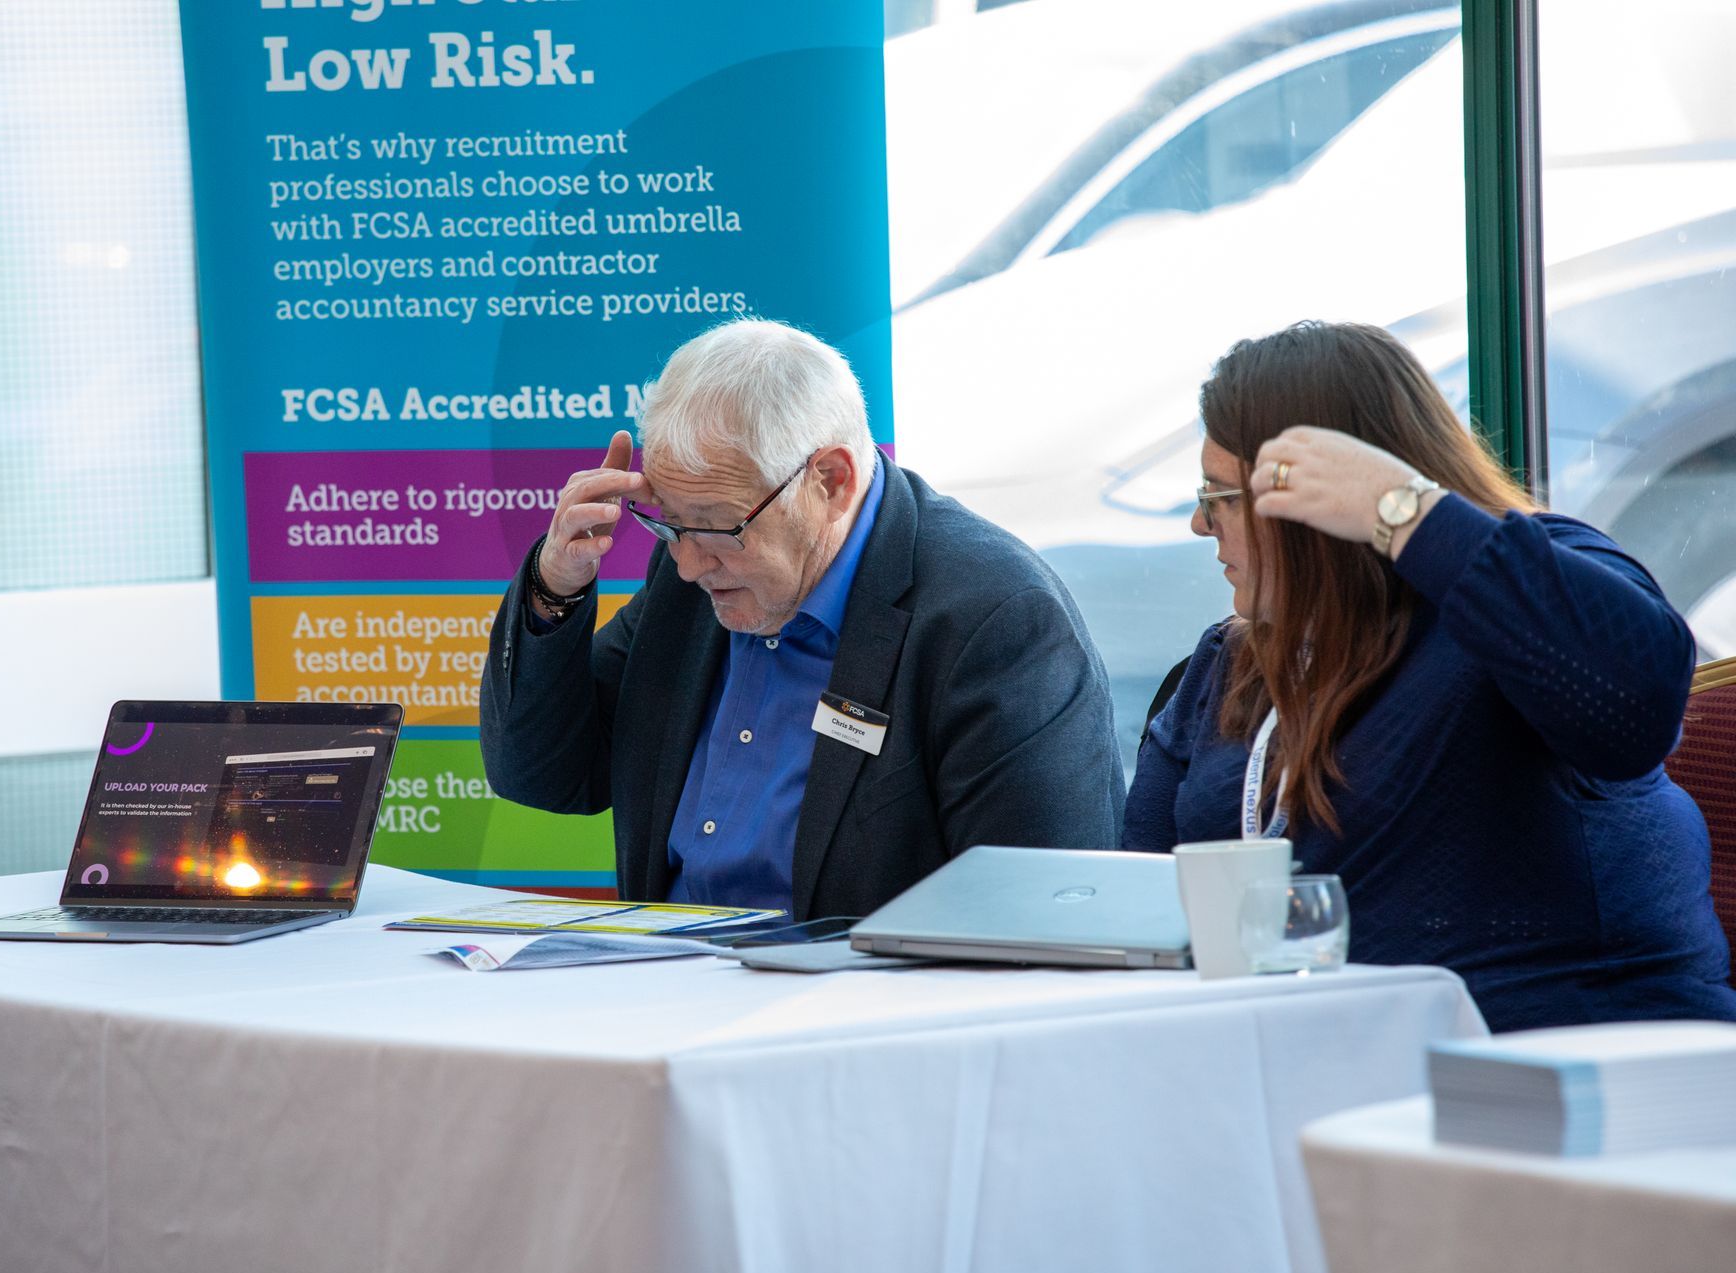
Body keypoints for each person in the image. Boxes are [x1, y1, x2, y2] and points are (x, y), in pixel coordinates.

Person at [1126, 320, 1736, 1033]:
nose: (1203, 525)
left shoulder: (1521, 581)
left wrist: (1406, 513)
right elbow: (1139, 895)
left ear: (1318, 502)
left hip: (1563, 1068)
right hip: (1314, 1064)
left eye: (1222, 496)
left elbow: (1637, 708)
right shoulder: (1233, 663)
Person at [481, 318, 1125, 917]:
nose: (686, 564)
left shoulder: (996, 622)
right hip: (663, 999)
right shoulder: (699, 580)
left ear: (831, 480)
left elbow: (1041, 922)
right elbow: (544, 778)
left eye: (717, 527)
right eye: (668, 524)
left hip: (855, 1014)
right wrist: (555, 587)